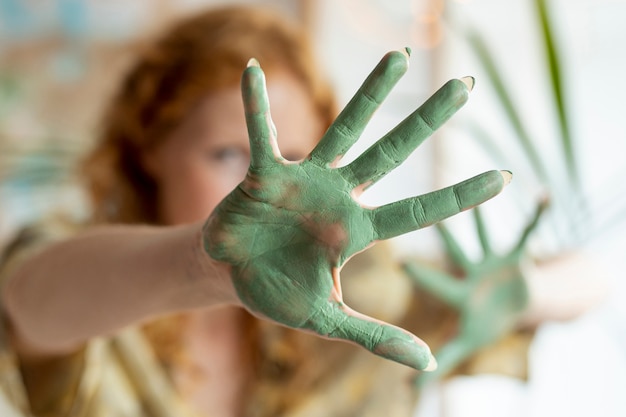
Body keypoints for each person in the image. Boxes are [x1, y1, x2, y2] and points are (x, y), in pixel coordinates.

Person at [0, 6, 510, 417]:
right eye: (226, 154)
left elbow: (574, 283)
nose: (270, 192)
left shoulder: (360, 288)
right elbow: (27, 300)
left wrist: (527, 291)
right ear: (149, 147)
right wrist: (203, 264)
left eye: (294, 158)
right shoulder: (77, 263)